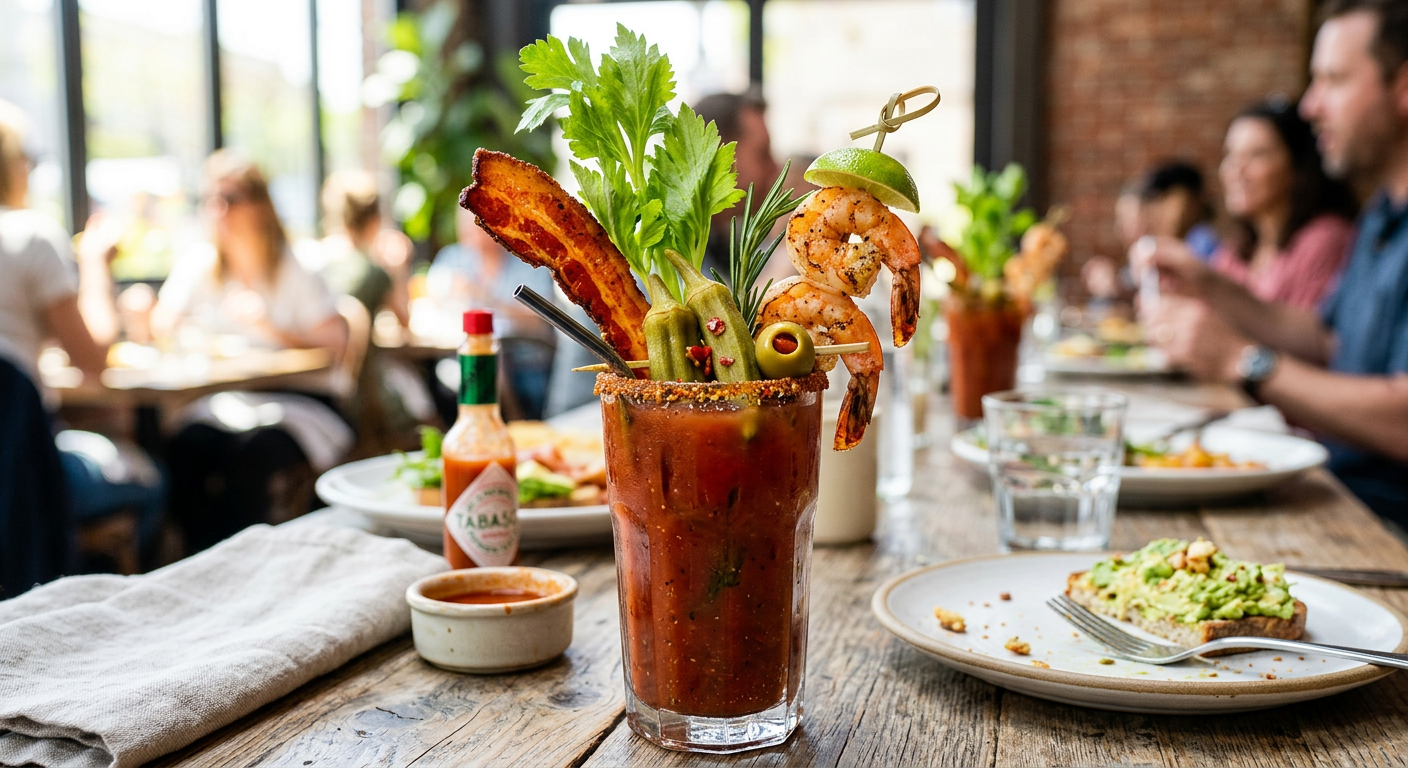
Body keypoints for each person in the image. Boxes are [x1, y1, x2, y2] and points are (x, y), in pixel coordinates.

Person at [1142, 0, 1408, 521]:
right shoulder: (1380, 213)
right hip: (1335, 496)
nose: (1310, 106)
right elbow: (1326, 340)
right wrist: (1213, 286)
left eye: (1332, 80)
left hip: (1384, 528)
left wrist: (1243, 360)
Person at [156, 150, 351, 552]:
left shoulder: (297, 266)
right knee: (185, 445)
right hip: (230, 400)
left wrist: (271, 328)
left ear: (260, 205)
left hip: (300, 400)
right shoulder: (201, 265)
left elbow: (337, 344)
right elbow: (162, 325)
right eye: (211, 200)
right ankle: (204, 556)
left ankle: (249, 560)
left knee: (253, 452)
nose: (218, 210)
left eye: (230, 199)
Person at [0, 100, 165, 569]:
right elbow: (93, 361)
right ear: (16, 166)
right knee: (152, 478)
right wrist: (94, 263)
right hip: (25, 468)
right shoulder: (28, 235)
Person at [1202, 101, 1358, 310]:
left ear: (1298, 168)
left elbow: (1311, 338)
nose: (1236, 171)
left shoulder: (1325, 240)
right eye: (1231, 154)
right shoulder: (1236, 252)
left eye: (1256, 154)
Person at [429, 206, 554, 419]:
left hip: (523, 363)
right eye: (466, 229)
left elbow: (541, 317)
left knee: (491, 363)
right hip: (461, 358)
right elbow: (431, 301)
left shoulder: (528, 262)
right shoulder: (452, 259)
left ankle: (503, 424)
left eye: (476, 228)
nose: (471, 236)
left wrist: (486, 297)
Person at [694, 90, 781, 281]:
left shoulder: (727, 234)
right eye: (762, 154)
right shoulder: (665, 251)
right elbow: (725, 311)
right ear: (720, 158)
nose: (775, 167)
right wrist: (790, 251)